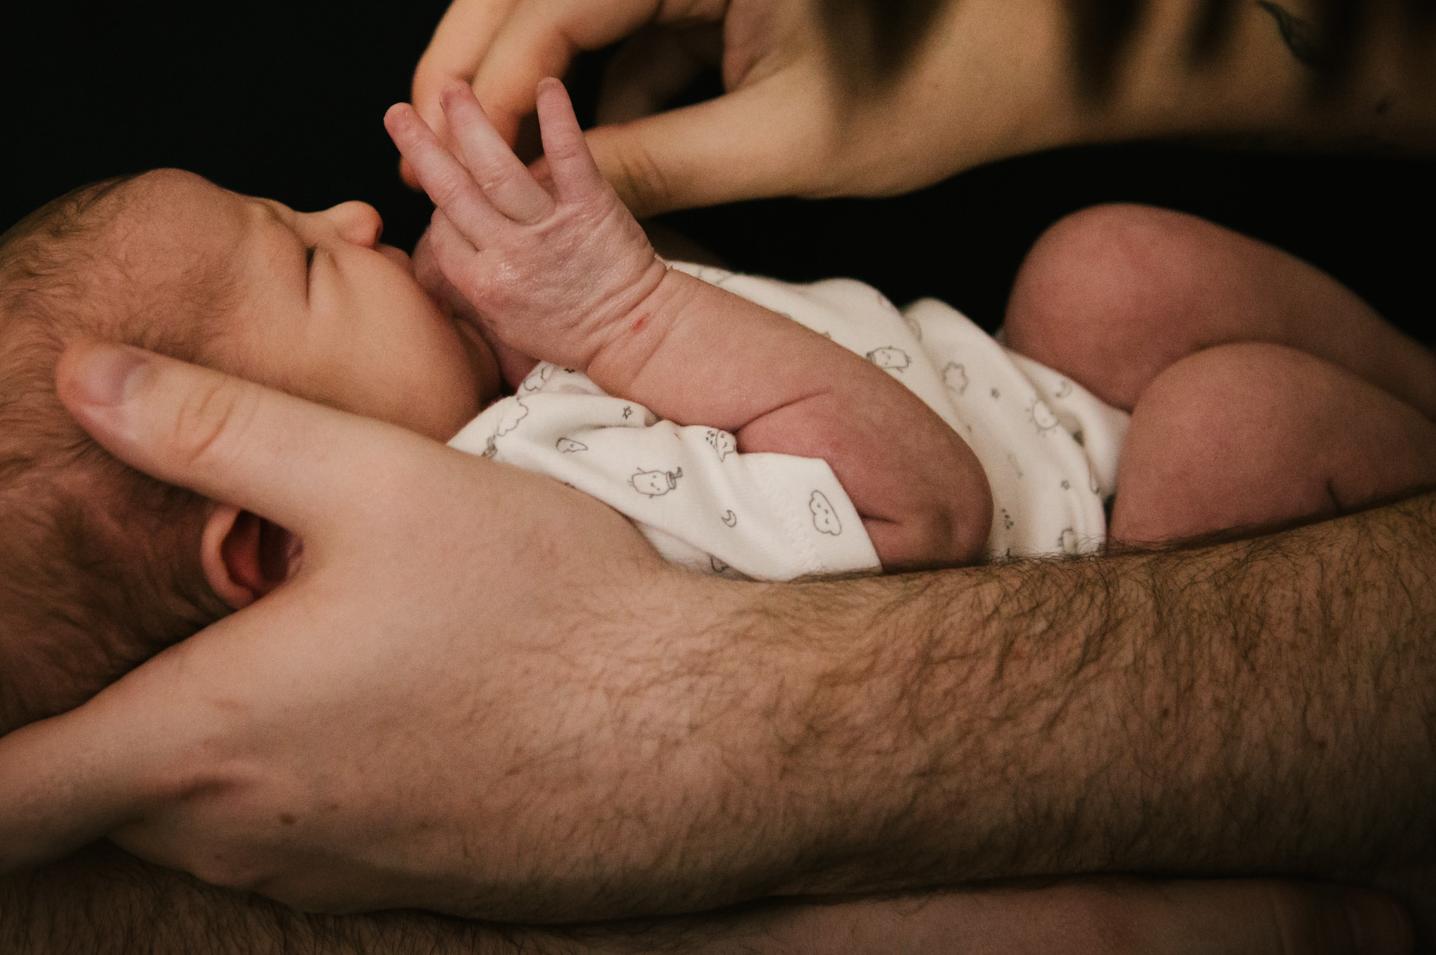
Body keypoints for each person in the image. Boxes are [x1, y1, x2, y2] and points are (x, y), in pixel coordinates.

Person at [2, 0, 1432, 951]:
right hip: (1123, 563)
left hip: (1036, 400)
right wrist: (624, 312)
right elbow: (921, 509)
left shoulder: (500, 411)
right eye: (310, 262)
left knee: (1108, 266)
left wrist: (563, 291)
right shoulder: (536, 510)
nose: (350, 210)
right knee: (1230, 425)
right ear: (267, 543)